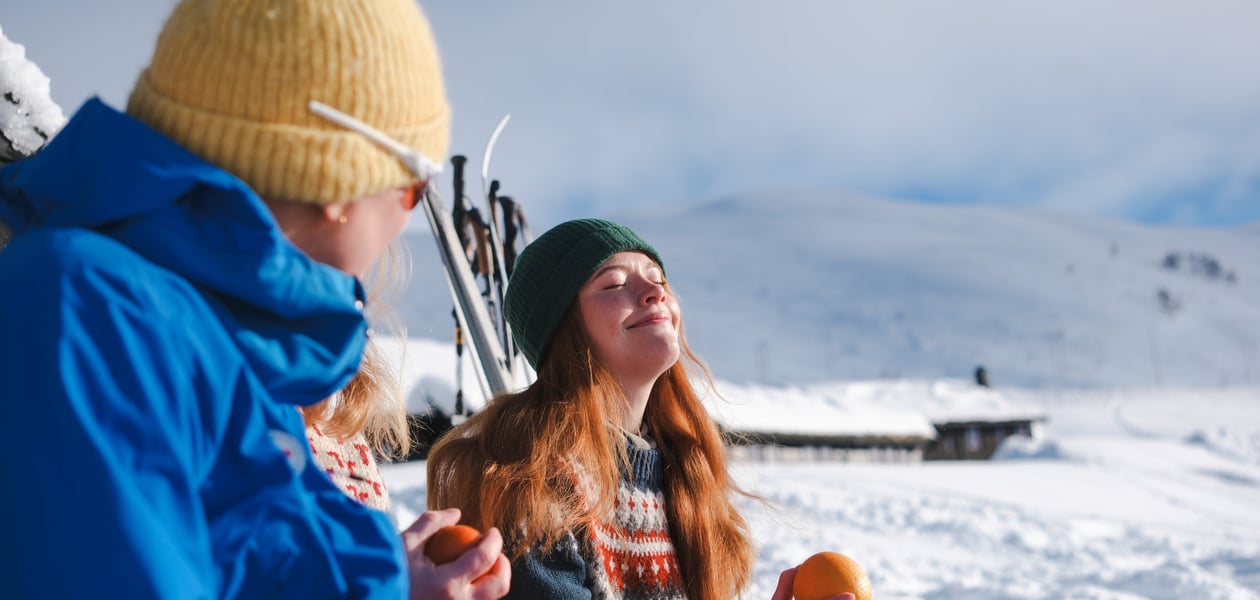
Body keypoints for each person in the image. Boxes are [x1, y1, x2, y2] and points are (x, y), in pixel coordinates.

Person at [0, 0, 510, 597]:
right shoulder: (91, 313)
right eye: (412, 189)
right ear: (339, 179)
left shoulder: (221, 349)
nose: (405, 223)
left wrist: (393, 584)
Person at [426, 218, 757, 599]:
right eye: (614, 284)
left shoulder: (687, 474)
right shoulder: (530, 479)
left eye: (659, 280)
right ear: (563, 330)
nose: (655, 292)